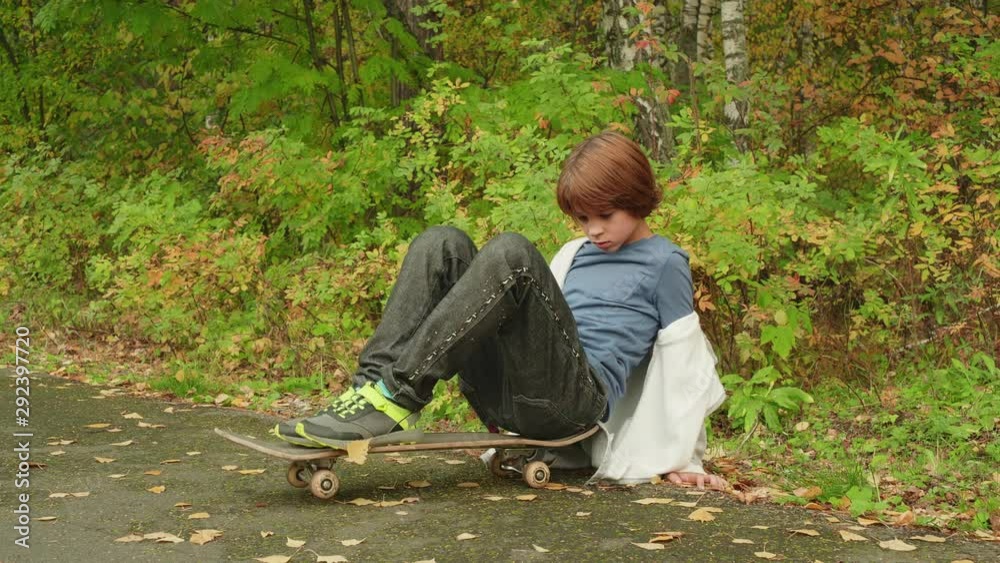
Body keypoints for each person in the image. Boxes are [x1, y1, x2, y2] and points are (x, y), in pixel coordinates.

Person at [275, 131, 727, 490]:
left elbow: (684, 362)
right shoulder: (576, 252)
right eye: (582, 218)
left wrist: (684, 458)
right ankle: (369, 394)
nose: (593, 230)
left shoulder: (665, 262)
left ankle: (398, 395)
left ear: (637, 197)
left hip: (575, 404)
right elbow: (539, 329)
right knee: (442, 244)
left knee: (514, 254)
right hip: (515, 391)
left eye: (604, 216)